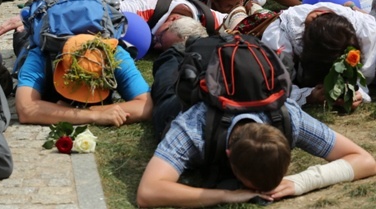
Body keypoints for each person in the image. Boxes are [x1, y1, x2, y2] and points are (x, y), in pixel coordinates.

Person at [136, 81, 376, 207]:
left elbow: (366, 161)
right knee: (165, 86)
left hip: (241, 95)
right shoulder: (193, 128)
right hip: (179, 102)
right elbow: (148, 193)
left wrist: (300, 182)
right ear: (229, 155)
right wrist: (226, 196)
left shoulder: (290, 119)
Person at [16, 26, 152, 127]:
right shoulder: (40, 55)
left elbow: (146, 106)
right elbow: (26, 109)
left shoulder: (116, 55)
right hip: (33, 38)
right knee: (20, 37)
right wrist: (94, 115)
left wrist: (82, 111)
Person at [262, 1, 376, 108]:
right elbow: (274, 87)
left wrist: (356, 92)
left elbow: (365, 74)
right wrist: (309, 96)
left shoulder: (367, 31)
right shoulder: (278, 39)